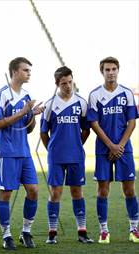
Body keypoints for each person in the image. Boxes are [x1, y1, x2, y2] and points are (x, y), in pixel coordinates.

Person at [0, 57, 44, 250]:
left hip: (24, 151)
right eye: (25, 70)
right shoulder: (2, 94)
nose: (29, 73)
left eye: (29, 70)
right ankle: (6, 235)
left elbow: (28, 128)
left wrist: (32, 115)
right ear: (14, 72)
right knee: (5, 194)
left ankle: (26, 232)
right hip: (6, 152)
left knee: (33, 190)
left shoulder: (27, 95)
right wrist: (23, 112)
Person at [88, 56, 139, 244]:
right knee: (103, 190)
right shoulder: (94, 95)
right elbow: (94, 123)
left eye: (113, 69)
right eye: (107, 70)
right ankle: (104, 231)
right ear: (102, 72)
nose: (111, 73)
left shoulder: (126, 93)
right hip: (103, 149)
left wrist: (120, 146)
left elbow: (132, 123)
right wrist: (110, 145)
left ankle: (134, 229)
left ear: (118, 70)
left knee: (129, 190)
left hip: (124, 148)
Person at [40, 66, 94, 244]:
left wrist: (76, 144)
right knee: (55, 193)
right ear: (57, 84)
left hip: (76, 156)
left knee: (77, 192)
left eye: (70, 82)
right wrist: (52, 149)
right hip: (56, 157)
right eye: (64, 83)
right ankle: (52, 233)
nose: (68, 86)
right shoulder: (49, 105)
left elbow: (86, 129)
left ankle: (82, 232)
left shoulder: (81, 103)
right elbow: (43, 132)